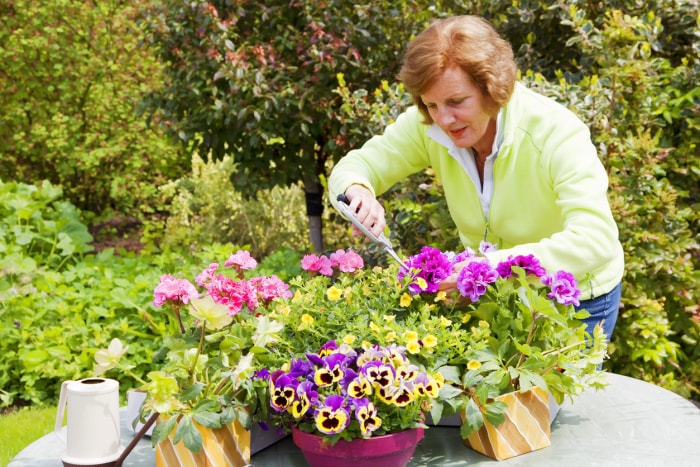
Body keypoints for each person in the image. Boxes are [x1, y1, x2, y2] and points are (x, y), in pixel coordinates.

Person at [328, 15, 624, 341]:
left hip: (576, 295)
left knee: (555, 395)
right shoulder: (429, 124)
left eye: (456, 101)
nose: (444, 118)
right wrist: (358, 190)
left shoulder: (556, 133)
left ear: (492, 87)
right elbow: (355, 165)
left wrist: (485, 267)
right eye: (431, 104)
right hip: (496, 293)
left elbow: (595, 240)